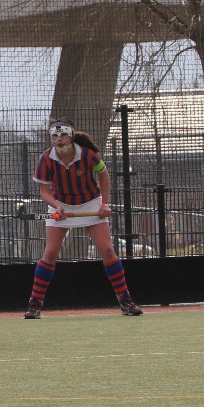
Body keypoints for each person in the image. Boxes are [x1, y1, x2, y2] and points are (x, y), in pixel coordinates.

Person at [25, 118, 142, 318]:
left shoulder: (88, 155)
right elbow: (44, 192)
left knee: (107, 250)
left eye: (63, 135)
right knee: (50, 252)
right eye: (55, 136)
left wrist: (105, 204)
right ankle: (34, 304)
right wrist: (57, 206)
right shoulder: (45, 159)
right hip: (61, 205)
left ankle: (125, 300)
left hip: (91, 203)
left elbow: (104, 176)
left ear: (71, 136)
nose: (59, 139)